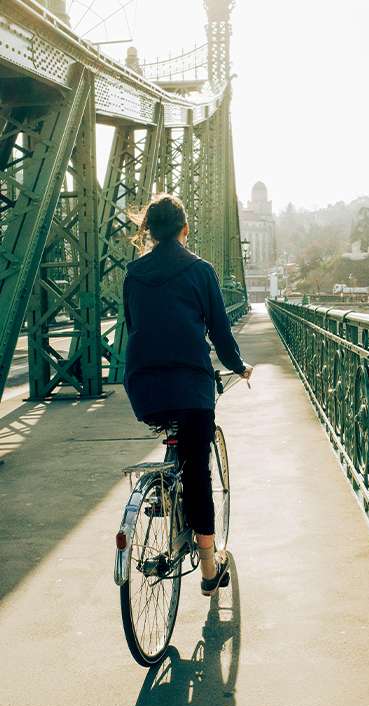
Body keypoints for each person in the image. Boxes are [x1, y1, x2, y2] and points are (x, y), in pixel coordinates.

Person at [122, 194, 252, 596]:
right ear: (185, 228)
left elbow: (134, 325)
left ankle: (164, 494)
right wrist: (239, 367)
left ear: (149, 230)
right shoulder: (200, 270)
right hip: (191, 386)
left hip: (144, 387)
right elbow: (219, 331)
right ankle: (210, 570)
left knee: (178, 442)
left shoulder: (133, 273)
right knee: (198, 471)